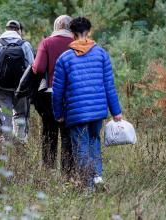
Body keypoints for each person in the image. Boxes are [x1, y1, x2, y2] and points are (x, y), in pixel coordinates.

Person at [52, 17, 123, 188]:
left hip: (76, 113)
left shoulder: (64, 58)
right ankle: (97, 177)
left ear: (72, 34)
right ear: (89, 31)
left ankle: (88, 185)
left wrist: (58, 113)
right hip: (98, 111)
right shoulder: (101, 54)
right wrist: (116, 112)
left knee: (81, 147)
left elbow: (57, 91)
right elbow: (109, 86)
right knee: (94, 141)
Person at [32, 15, 74, 173]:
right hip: (71, 94)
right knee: (67, 133)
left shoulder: (47, 42)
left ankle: (48, 168)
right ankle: (67, 171)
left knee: (49, 131)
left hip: (49, 93)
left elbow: (39, 68)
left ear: (56, 26)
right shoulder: (76, 44)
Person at [0, 20, 34, 143]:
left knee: (6, 116)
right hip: (20, 89)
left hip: (2, 88)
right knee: (20, 115)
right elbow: (32, 68)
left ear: (6, 29)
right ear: (18, 30)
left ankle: (8, 144)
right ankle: (21, 141)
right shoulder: (25, 45)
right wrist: (31, 90)